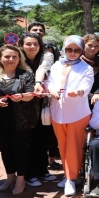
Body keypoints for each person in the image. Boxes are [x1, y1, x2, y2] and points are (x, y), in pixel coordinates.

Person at [48, 35, 94, 197]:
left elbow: (86, 85)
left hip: (77, 112)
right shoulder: (56, 65)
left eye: (76, 50)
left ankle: (71, 179)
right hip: (58, 112)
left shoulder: (86, 68)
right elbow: (50, 82)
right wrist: (50, 89)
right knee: (63, 145)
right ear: (64, 49)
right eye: (69, 49)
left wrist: (80, 91)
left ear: (81, 51)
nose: (72, 53)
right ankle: (70, 174)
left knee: (74, 146)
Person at [0, 45, 38, 195]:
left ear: (19, 59)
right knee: (5, 149)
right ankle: (10, 177)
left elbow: (31, 94)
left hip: (21, 120)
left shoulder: (26, 75)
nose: (10, 59)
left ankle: (21, 180)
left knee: (20, 150)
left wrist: (22, 97)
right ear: (0, 58)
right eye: (7, 56)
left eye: (14, 57)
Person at [18, 33, 58, 186]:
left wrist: (38, 82)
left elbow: (43, 68)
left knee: (42, 138)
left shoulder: (46, 56)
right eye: (28, 44)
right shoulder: (18, 57)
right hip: (23, 105)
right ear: (21, 45)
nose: (32, 47)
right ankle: (29, 174)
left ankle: (42, 170)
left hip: (42, 102)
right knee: (27, 140)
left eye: (35, 44)